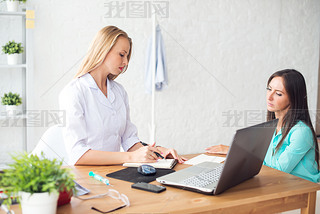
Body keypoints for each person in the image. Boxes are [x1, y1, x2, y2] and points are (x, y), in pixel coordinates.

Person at [59, 26, 186, 166]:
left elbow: (128, 139)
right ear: (103, 50)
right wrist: (131, 157)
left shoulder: (119, 91)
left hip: (114, 171)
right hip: (87, 176)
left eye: (127, 56)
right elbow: (77, 154)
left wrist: (157, 152)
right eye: (121, 55)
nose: (126, 62)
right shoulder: (74, 92)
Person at [206, 69, 320, 183]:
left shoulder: (301, 132)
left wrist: (240, 152)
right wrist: (236, 154)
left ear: (293, 98)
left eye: (278, 93)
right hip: (280, 185)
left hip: (305, 192)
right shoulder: (271, 126)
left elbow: (278, 169)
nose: (269, 97)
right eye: (269, 89)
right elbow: (265, 163)